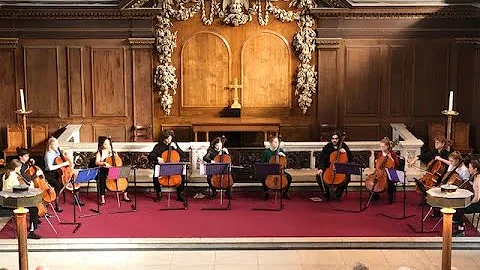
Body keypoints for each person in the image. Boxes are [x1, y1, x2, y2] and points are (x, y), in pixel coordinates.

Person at [1, 159, 42, 239]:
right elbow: (18, 191)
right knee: (34, 209)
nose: (20, 169)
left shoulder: (6, 174)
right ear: (16, 168)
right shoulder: (13, 177)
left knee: (33, 208)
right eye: (19, 167)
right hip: (14, 201)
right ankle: (32, 231)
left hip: (7, 199)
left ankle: (33, 223)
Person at [44, 137, 83, 211]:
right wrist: (63, 164)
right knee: (57, 185)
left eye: (57, 144)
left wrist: (66, 156)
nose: (57, 146)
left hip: (60, 171)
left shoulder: (56, 152)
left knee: (75, 180)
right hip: (51, 173)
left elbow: (61, 160)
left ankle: (77, 200)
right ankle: (57, 205)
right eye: (55, 144)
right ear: (50, 145)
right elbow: (50, 168)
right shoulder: (48, 155)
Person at [147, 130, 187, 202]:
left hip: (173, 167)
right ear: (163, 138)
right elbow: (150, 156)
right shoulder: (158, 146)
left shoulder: (174, 145)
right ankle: (158, 193)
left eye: (170, 138)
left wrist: (177, 148)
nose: (168, 140)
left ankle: (180, 193)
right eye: (167, 139)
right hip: (163, 168)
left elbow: (184, 156)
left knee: (182, 174)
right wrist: (157, 158)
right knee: (155, 175)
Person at [316, 132, 353, 200]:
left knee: (347, 177)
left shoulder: (343, 146)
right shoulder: (327, 147)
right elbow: (322, 159)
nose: (334, 140)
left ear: (339, 139)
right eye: (333, 139)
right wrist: (320, 168)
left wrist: (346, 152)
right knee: (319, 175)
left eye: (336, 138)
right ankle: (326, 193)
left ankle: (338, 194)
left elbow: (351, 158)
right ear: (330, 139)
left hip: (341, 167)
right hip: (329, 167)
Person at [95, 136, 130, 205]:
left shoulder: (113, 152)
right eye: (105, 144)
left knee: (123, 175)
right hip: (104, 169)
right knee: (101, 177)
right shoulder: (100, 153)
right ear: (102, 145)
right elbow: (96, 162)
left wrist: (115, 155)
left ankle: (125, 195)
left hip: (113, 169)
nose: (107, 145)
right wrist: (104, 163)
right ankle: (102, 197)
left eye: (108, 143)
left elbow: (119, 162)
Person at [260, 135, 292, 200]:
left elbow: (285, 164)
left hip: (279, 170)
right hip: (269, 170)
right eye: (275, 142)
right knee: (263, 177)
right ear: (270, 143)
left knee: (289, 177)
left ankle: (285, 192)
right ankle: (266, 192)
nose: (276, 143)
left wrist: (284, 156)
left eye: (277, 142)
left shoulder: (280, 150)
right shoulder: (266, 152)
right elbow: (262, 163)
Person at [453, 159, 480, 236]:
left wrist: (468, 203)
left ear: (475, 169)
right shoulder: (476, 176)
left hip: (477, 204)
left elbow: (477, 198)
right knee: (459, 204)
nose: (469, 169)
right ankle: (458, 223)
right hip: (475, 201)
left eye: (470, 167)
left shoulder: (477, 180)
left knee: (461, 207)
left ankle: (461, 230)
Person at [370, 137, 399, 202]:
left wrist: (391, 158)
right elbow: (377, 166)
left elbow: (396, 164)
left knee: (391, 181)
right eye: (381, 147)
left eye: (383, 147)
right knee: (373, 180)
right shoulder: (379, 154)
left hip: (390, 172)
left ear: (388, 146)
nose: (381, 148)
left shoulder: (392, 153)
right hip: (380, 172)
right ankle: (375, 196)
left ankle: (390, 199)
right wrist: (376, 162)